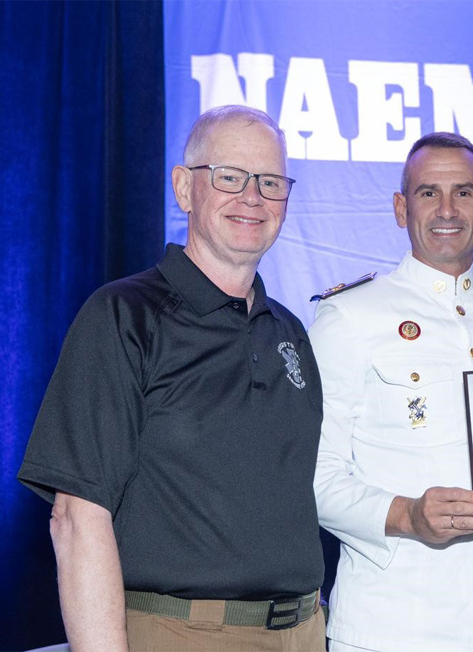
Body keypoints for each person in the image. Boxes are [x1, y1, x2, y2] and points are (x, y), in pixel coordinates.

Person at [18, 105, 325, 652]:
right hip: (180, 634)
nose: (252, 197)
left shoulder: (289, 331)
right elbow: (76, 518)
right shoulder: (122, 316)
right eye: (230, 177)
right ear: (185, 188)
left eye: (271, 182)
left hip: (303, 632)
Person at [310, 132, 473, 652]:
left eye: (463, 192)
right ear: (401, 208)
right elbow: (314, 477)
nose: (447, 209)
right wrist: (407, 515)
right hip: (397, 624)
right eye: (427, 193)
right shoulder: (348, 316)